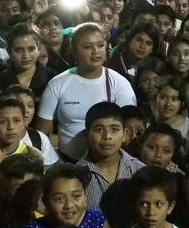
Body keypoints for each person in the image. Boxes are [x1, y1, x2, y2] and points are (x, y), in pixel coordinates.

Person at [36, 23, 137, 160]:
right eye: (87, 47)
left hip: (109, 161)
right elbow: (42, 132)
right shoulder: (58, 83)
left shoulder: (119, 83)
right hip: (67, 162)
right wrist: (58, 163)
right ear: (74, 51)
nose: (96, 51)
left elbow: (129, 129)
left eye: (100, 45)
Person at [21, 163, 112, 228]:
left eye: (76, 196)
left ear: (86, 196)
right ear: (45, 202)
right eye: (59, 199)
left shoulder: (98, 221)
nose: (69, 205)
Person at [76, 102, 145, 211]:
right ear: (86, 135)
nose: (107, 136)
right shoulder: (76, 174)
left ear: (125, 134)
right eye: (99, 130)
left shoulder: (139, 170)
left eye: (114, 129)